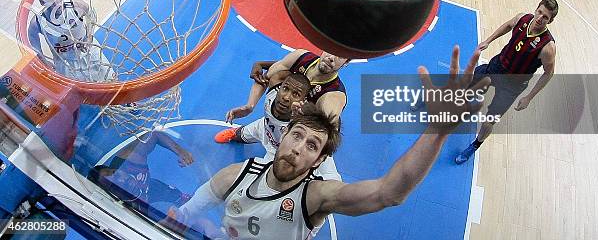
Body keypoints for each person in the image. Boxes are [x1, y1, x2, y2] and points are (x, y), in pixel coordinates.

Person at [162, 47, 489, 239]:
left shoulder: (313, 195)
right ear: (285, 137)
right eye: (298, 137)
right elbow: (269, 72)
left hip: (295, 146)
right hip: (269, 126)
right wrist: (183, 216)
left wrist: (437, 130)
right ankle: (243, 131)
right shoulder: (236, 174)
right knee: (255, 130)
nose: (298, 147)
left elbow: (388, 193)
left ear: (318, 161)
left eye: (311, 147)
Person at [455, 0, 558, 164]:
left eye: (545, 17)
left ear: (550, 20)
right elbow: (508, 25)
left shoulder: (548, 47)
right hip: (497, 66)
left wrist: (529, 97)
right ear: (536, 8)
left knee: (489, 121)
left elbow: (549, 73)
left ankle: (474, 145)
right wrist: (488, 41)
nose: (540, 18)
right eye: (539, 12)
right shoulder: (522, 18)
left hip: (512, 86)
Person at [216, 71, 342, 181]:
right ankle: (235, 133)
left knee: (267, 176)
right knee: (240, 134)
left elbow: (330, 122)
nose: (286, 97)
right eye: (285, 89)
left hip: (279, 149)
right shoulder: (273, 88)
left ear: (303, 100)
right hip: (264, 127)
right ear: (280, 87)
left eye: (296, 95)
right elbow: (277, 68)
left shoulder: (303, 116)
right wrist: (260, 64)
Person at [220, 50, 348, 133]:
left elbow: (328, 132)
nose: (332, 57)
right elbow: (266, 76)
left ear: (346, 63)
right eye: (330, 50)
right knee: (278, 75)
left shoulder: (333, 95)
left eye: (340, 56)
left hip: (296, 133)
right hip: (272, 120)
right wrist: (249, 106)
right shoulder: (301, 57)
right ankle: (241, 134)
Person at [27, 0, 112, 82]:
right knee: (82, 96)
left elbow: (91, 14)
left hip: (89, 52)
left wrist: (89, 35)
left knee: (111, 81)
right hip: (65, 64)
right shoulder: (37, 23)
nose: (55, 2)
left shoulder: (77, 6)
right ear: (42, 3)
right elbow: (34, 46)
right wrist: (44, 61)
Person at [89, 130, 194, 214]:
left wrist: (180, 151)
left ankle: (180, 198)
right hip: (148, 205)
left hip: (152, 189)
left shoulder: (130, 160)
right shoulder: (125, 210)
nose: (122, 180)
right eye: (115, 184)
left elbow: (153, 135)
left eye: (115, 174)